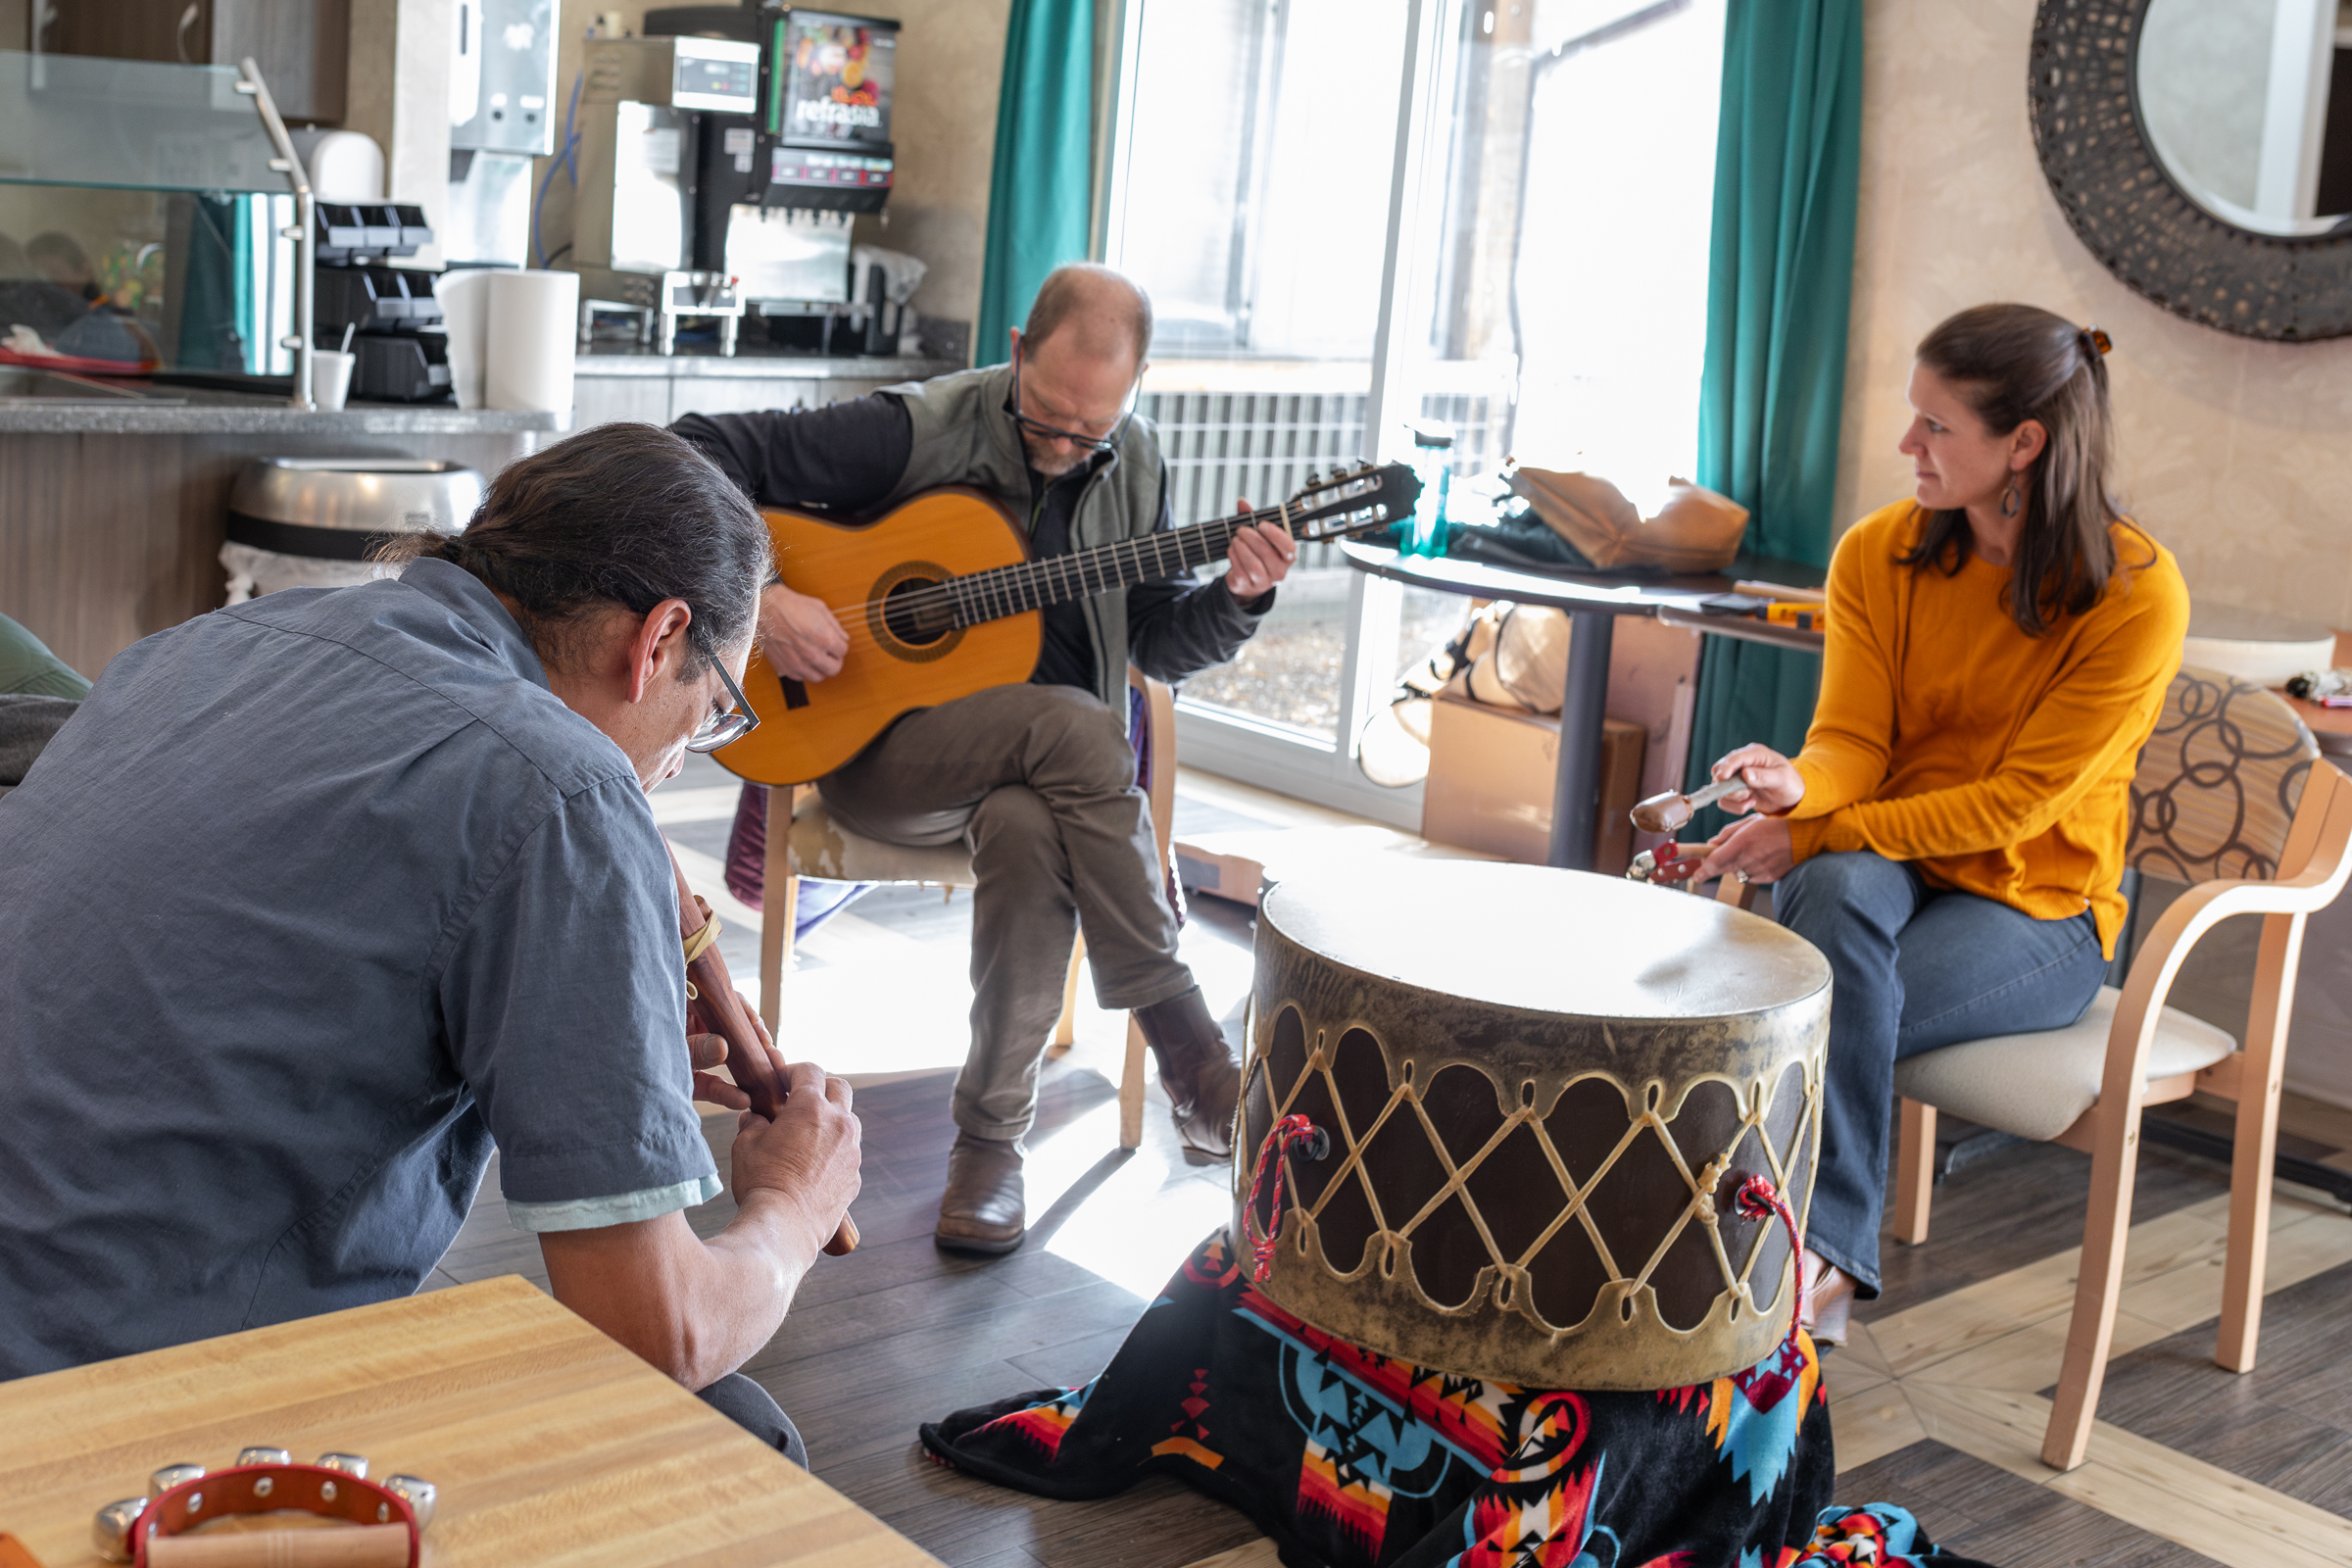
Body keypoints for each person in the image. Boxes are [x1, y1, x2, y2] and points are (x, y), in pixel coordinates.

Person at [0, 424, 861, 1461]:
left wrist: (588, 1030)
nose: (683, 758)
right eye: (715, 708)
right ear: (661, 639)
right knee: (734, 1436)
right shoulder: (562, 788)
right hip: (93, 1418)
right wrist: (793, 1208)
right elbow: (658, 1330)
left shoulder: (208, 646)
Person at [675, 263, 1297, 1254]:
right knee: (1080, 728)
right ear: (1015, 349)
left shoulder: (1135, 464)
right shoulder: (915, 428)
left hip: (1032, 786)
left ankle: (990, 1151)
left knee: (1029, 820)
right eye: (1045, 413)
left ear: (1131, 398)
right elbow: (689, 452)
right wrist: (771, 593)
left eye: (1090, 428)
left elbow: (1157, 645)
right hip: (884, 759)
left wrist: (1240, 600)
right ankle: (1194, 1061)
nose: (1063, 444)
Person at [1686, 304, 2188, 1342]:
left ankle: (1788, 1260)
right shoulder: (1880, 553)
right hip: (1891, 862)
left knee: (1786, 1019)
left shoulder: (2135, 594)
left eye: (1935, 426)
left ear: (2024, 444)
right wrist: (1800, 788)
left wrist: (1817, 830)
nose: (1907, 445)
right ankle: (1814, 1262)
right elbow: (1855, 745)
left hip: (2039, 909)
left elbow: (2018, 806)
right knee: (1824, 909)